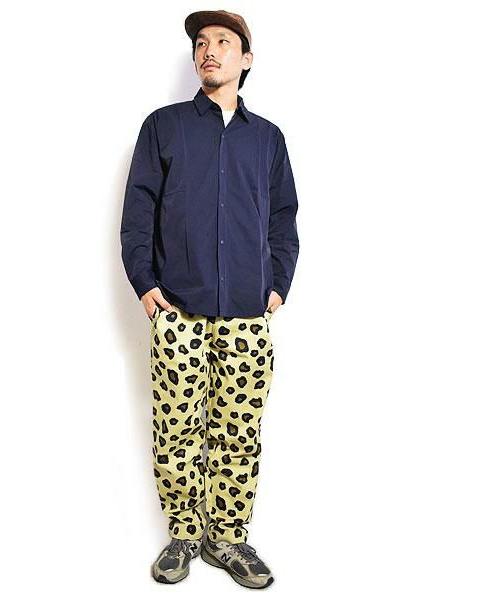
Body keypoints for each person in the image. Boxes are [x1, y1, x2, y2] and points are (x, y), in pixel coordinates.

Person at [120, 9, 299, 589]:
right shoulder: (164, 127)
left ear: (246, 59)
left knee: (238, 433)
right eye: (201, 42)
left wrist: (277, 285)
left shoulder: (267, 139)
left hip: (248, 313)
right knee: (175, 431)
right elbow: (138, 214)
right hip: (177, 309)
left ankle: (227, 538)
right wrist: (147, 287)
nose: (209, 50)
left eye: (223, 41)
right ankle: (183, 535)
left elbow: (283, 220)